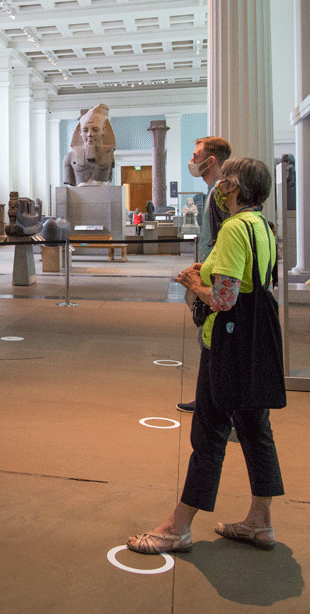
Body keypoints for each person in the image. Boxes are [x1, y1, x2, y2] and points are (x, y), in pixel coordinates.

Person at [128, 157, 285, 555]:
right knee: (255, 430)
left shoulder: (234, 228)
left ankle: (177, 527)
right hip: (253, 346)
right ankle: (261, 521)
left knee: (209, 434)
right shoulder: (261, 226)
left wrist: (196, 282)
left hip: (228, 347)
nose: (218, 187)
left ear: (233, 187)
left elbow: (225, 299)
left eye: (224, 181)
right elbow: (250, 281)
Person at [177, 136, 232, 413]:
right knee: (208, 339)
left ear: (211, 160)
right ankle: (208, 399)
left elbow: (224, 242)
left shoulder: (220, 194)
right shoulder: (213, 193)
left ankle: (215, 404)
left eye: (197, 154)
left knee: (213, 340)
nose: (192, 160)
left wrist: (206, 278)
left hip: (218, 280)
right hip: (210, 274)